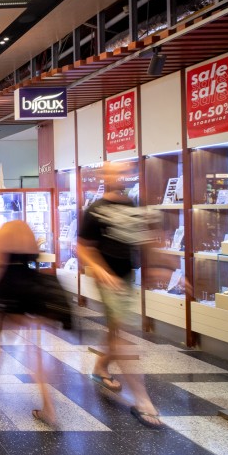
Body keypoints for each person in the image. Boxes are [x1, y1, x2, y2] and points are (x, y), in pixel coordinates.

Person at [77, 162, 162, 428]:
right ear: (105, 177)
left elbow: (145, 238)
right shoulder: (95, 210)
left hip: (126, 276)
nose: (120, 177)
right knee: (124, 332)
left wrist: (158, 268)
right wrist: (101, 271)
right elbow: (82, 247)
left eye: (123, 173)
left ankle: (100, 368)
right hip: (107, 279)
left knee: (115, 330)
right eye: (114, 173)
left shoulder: (132, 205)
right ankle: (142, 400)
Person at [0, 220, 58, 425]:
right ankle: (49, 406)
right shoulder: (27, 231)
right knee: (33, 350)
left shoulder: (6, 231)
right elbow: (39, 259)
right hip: (31, 291)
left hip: (9, 293)